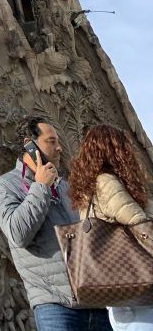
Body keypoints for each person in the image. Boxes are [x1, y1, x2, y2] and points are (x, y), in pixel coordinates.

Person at [0, 114, 112, 331]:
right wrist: (40, 188)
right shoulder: (6, 185)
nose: (59, 149)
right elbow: (17, 233)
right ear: (30, 146)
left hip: (93, 301)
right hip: (54, 304)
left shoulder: (65, 187)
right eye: (51, 141)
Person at [69, 124, 153, 331]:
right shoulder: (106, 182)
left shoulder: (89, 187)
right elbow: (139, 224)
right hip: (138, 291)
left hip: (123, 291)